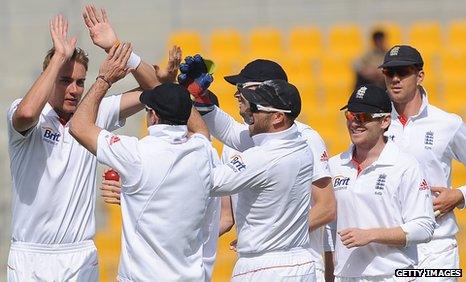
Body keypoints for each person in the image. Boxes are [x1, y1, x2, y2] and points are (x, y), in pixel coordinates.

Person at [6, 13, 175, 281]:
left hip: (79, 254)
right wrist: (60, 57)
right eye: (65, 81)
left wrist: (115, 48)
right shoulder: (24, 111)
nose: (74, 90)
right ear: (48, 78)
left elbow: (157, 92)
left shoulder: (94, 111)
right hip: (30, 255)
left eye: (80, 82)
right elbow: (26, 115)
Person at [70, 43, 216, 281]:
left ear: (153, 115)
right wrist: (178, 94)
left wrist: (104, 80)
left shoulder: (135, 153)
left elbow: (78, 126)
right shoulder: (202, 150)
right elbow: (200, 129)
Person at [214, 59, 336, 281]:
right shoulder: (238, 141)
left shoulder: (305, 138)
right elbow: (226, 217)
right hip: (257, 258)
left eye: (244, 89)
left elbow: (327, 207)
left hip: (293, 257)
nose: (238, 95)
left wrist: (274, 236)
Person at [195, 79, 315, 280]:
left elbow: (207, 182)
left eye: (255, 108)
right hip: (298, 261)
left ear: (277, 117)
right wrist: (202, 100)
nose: (247, 112)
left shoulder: (264, 158)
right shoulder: (301, 144)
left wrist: (196, 134)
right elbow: (233, 133)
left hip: (265, 268)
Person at [329, 84, 436, 281]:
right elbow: (328, 230)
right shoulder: (334, 165)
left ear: (385, 121)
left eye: (363, 117)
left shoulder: (405, 165)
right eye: (351, 116)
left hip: (392, 275)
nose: (354, 123)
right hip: (346, 276)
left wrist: (371, 235)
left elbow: (424, 226)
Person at [380, 45, 466, 278]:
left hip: (437, 245)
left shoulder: (447, 123)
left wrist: (460, 195)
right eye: (389, 73)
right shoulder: (378, 123)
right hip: (392, 246)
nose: (395, 79)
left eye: (403, 72)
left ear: (420, 76)